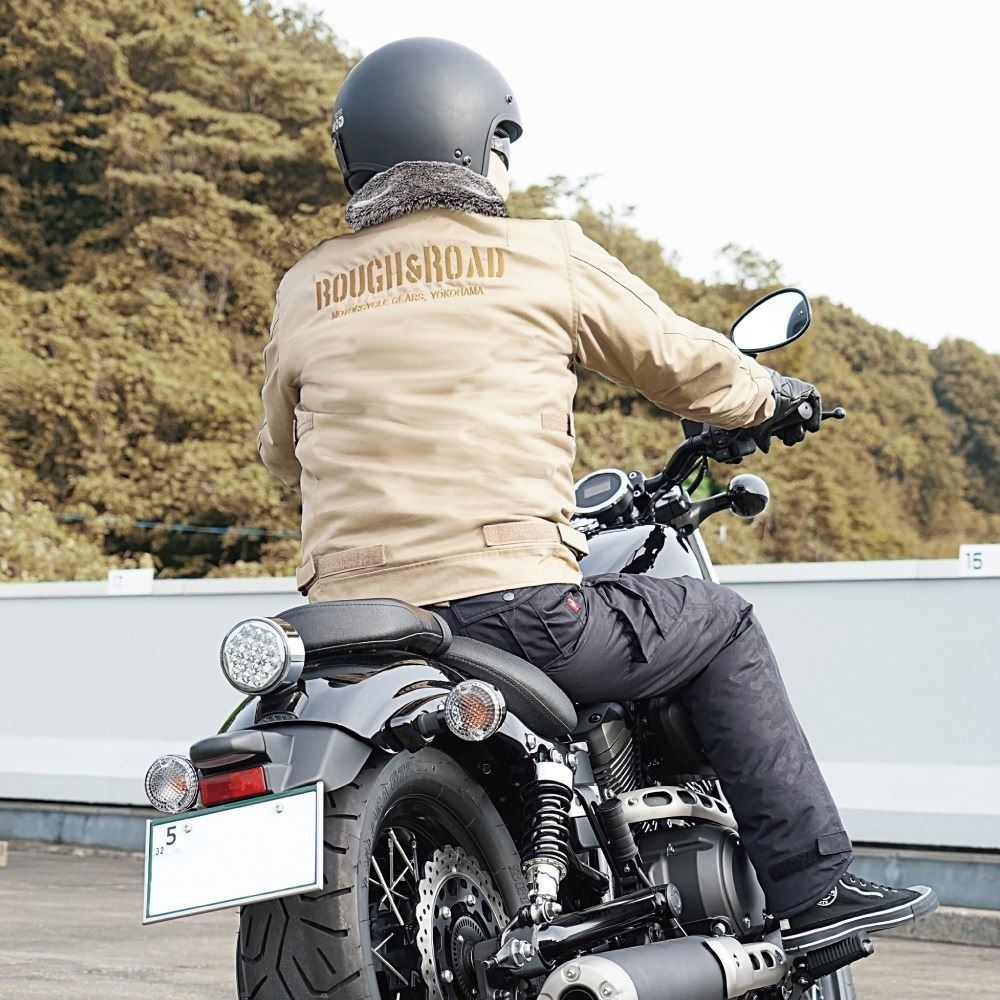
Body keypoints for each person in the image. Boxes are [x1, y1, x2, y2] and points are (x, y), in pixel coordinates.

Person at [257, 36, 936, 954]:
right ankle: (817, 890)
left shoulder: (306, 287)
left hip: (347, 631)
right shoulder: (540, 255)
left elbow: (281, 456)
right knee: (722, 623)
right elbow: (680, 361)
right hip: (507, 604)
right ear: (473, 142)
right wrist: (772, 395)